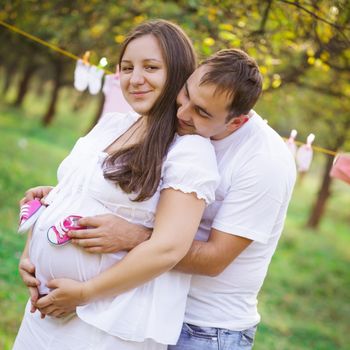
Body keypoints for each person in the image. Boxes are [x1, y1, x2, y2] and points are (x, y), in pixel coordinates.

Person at [28, 48, 295, 349]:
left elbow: (215, 259)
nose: (183, 112)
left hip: (204, 328)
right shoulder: (180, 127)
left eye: (202, 112)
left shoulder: (264, 162)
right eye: (186, 95)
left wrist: (136, 237)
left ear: (236, 123)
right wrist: (64, 199)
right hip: (149, 302)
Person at [14, 20, 220, 350]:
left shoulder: (189, 151)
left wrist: (83, 294)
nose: (135, 79)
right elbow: (67, 194)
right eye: (126, 68)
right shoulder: (112, 124)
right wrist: (31, 257)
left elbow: (169, 248)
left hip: (104, 325)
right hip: (45, 311)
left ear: (179, 73)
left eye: (150, 67)